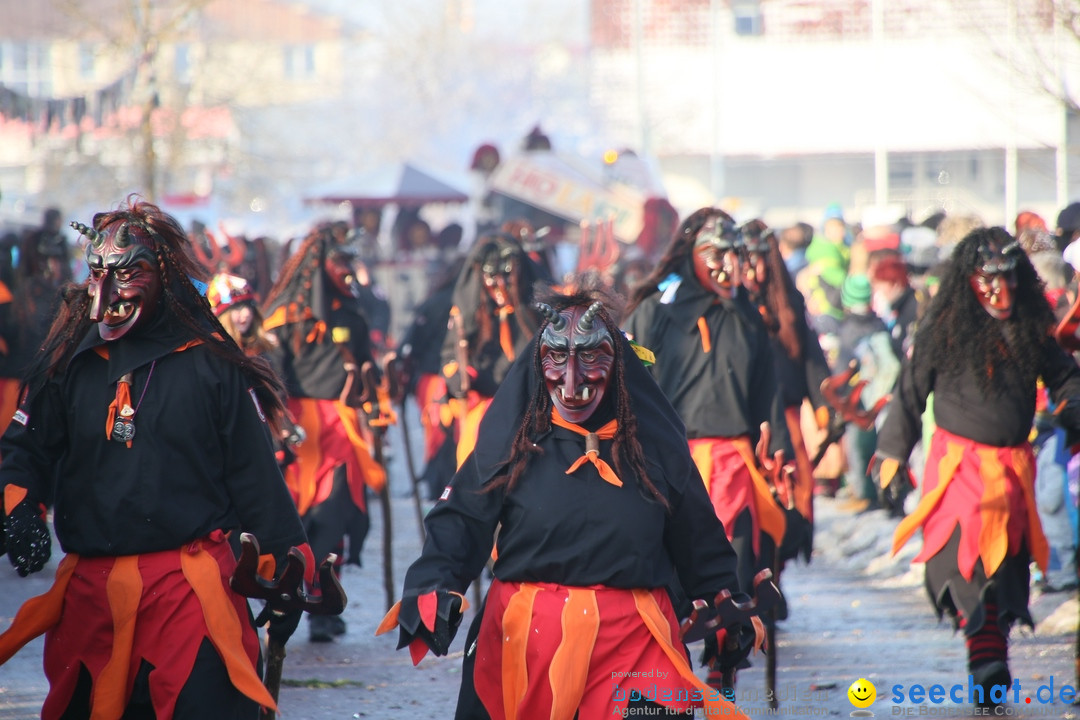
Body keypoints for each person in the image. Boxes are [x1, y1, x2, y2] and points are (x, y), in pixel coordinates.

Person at [378, 287, 761, 720]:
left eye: (591, 357)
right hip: (525, 639)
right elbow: (461, 518)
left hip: (634, 642)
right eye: (557, 358)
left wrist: (723, 601)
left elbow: (699, 538)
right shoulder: (515, 443)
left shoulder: (655, 448)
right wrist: (435, 583)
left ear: (618, 363)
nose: (572, 380)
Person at [0, 197, 311, 719]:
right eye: (99, 272)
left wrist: (288, 573)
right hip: (91, 599)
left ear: (161, 277)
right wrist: (20, 504)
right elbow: (23, 450)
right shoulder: (68, 364)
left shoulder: (211, 364)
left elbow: (254, 477)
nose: (109, 289)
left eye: (128, 273)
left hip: (189, 593)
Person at [872, 226, 1080, 707]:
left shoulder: (1032, 325)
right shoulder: (943, 330)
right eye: (988, 281)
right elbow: (908, 393)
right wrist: (890, 455)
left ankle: (993, 651)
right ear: (970, 282)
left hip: (1014, 472)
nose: (1000, 291)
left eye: (1008, 279)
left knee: (1007, 571)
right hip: (959, 468)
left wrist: (1072, 408)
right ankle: (983, 653)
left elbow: (1066, 377)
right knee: (965, 563)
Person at [623, 207, 790, 690]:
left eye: (734, 254)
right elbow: (628, 382)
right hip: (669, 460)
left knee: (732, 566)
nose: (728, 264)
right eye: (716, 254)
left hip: (733, 464)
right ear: (692, 253)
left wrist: (776, 449)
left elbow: (767, 395)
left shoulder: (748, 318)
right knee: (666, 568)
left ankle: (723, 668)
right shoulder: (656, 310)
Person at [261, 223, 387, 642]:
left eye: (351, 259)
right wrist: (277, 423)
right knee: (296, 516)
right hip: (295, 429)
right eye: (341, 259)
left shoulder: (352, 307)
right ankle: (282, 591)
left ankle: (321, 604)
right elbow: (267, 373)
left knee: (335, 514)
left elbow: (369, 364)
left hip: (341, 428)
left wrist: (377, 395)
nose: (348, 268)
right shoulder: (284, 315)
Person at [741, 220, 832, 564]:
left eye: (763, 258)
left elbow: (811, 357)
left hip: (789, 421)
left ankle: (775, 576)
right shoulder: (730, 308)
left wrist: (825, 405)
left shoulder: (788, 300)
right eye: (748, 259)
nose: (756, 268)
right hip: (746, 424)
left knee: (790, 504)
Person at [440, 232, 546, 470]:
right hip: (485, 406)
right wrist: (460, 376)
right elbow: (449, 358)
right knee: (475, 464)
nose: (499, 284)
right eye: (492, 277)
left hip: (531, 408)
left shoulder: (538, 312)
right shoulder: (467, 315)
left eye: (507, 276)